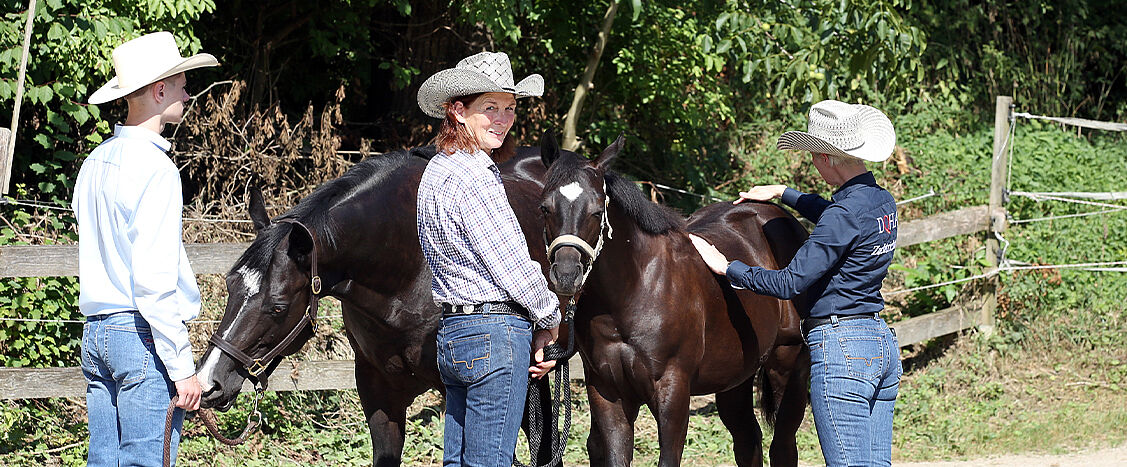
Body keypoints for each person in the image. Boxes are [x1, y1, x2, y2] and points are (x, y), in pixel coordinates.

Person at [690, 100, 903, 467]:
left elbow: (790, 282)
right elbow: (838, 219)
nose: (816, 164)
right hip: (880, 344)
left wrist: (729, 268)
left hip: (842, 349)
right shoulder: (881, 202)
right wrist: (783, 192)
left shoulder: (844, 213)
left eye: (816, 156)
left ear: (829, 158)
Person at [75, 31, 218, 466]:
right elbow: (154, 284)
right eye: (180, 84)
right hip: (139, 335)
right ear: (160, 91)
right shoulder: (157, 169)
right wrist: (182, 367)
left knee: (103, 459)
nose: (187, 93)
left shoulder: (94, 162)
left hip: (96, 330)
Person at [415, 51, 562, 466]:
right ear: (458, 111)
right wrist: (550, 317)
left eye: (510, 108)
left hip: (453, 331)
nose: (502, 118)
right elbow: (512, 264)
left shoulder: (435, 172)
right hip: (495, 336)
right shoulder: (477, 176)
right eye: (490, 108)